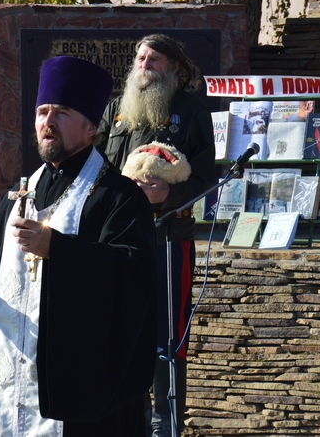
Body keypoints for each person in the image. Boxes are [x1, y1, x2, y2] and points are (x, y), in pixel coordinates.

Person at [0, 55, 157, 437]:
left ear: (90, 127)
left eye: (62, 113)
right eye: (42, 112)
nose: (48, 122)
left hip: (77, 397)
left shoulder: (119, 197)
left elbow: (133, 274)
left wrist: (59, 248)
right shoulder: (16, 197)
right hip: (5, 388)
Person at [96, 34, 216, 437]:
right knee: (120, 333)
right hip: (116, 240)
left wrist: (168, 195)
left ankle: (166, 426)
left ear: (174, 68)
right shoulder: (116, 110)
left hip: (168, 239)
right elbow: (96, 166)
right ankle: (130, 423)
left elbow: (205, 176)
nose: (144, 64)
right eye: (140, 58)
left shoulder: (191, 111)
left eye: (154, 59)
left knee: (167, 338)